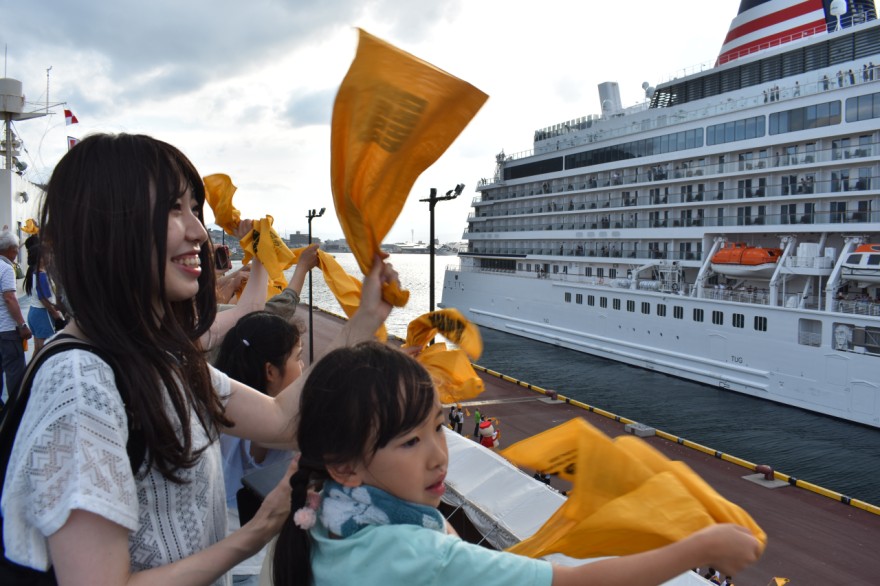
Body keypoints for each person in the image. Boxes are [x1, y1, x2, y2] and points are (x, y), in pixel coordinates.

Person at [1, 133, 396, 585]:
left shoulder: (157, 357)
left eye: (194, 208)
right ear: (106, 228)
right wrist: (258, 531)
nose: (198, 231)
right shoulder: (82, 381)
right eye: (173, 208)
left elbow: (282, 418)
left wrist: (363, 320)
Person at [271, 341, 762, 586]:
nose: (438, 455)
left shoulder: (325, 510)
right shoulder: (420, 557)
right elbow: (581, 582)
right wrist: (699, 546)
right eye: (409, 443)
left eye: (438, 426)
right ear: (345, 466)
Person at [214, 311, 305, 585]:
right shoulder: (272, 428)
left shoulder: (225, 404)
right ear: (270, 371)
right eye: (298, 357)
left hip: (220, 544)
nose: (303, 366)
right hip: (247, 561)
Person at [0, 229, 30, 406]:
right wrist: (22, 324)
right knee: (14, 372)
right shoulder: (6, 269)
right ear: (11, 249)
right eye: (17, 249)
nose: (17, 252)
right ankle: (14, 409)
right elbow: (10, 298)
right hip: (8, 331)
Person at [22, 239, 65, 352]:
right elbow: (43, 298)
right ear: (41, 258)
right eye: (48, 254)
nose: (50, 257)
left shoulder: (35, 273)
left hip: (34, 312)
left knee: (37, 348)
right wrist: (55, 313)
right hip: (42, 314)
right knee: (45, 348)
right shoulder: (41, 275)